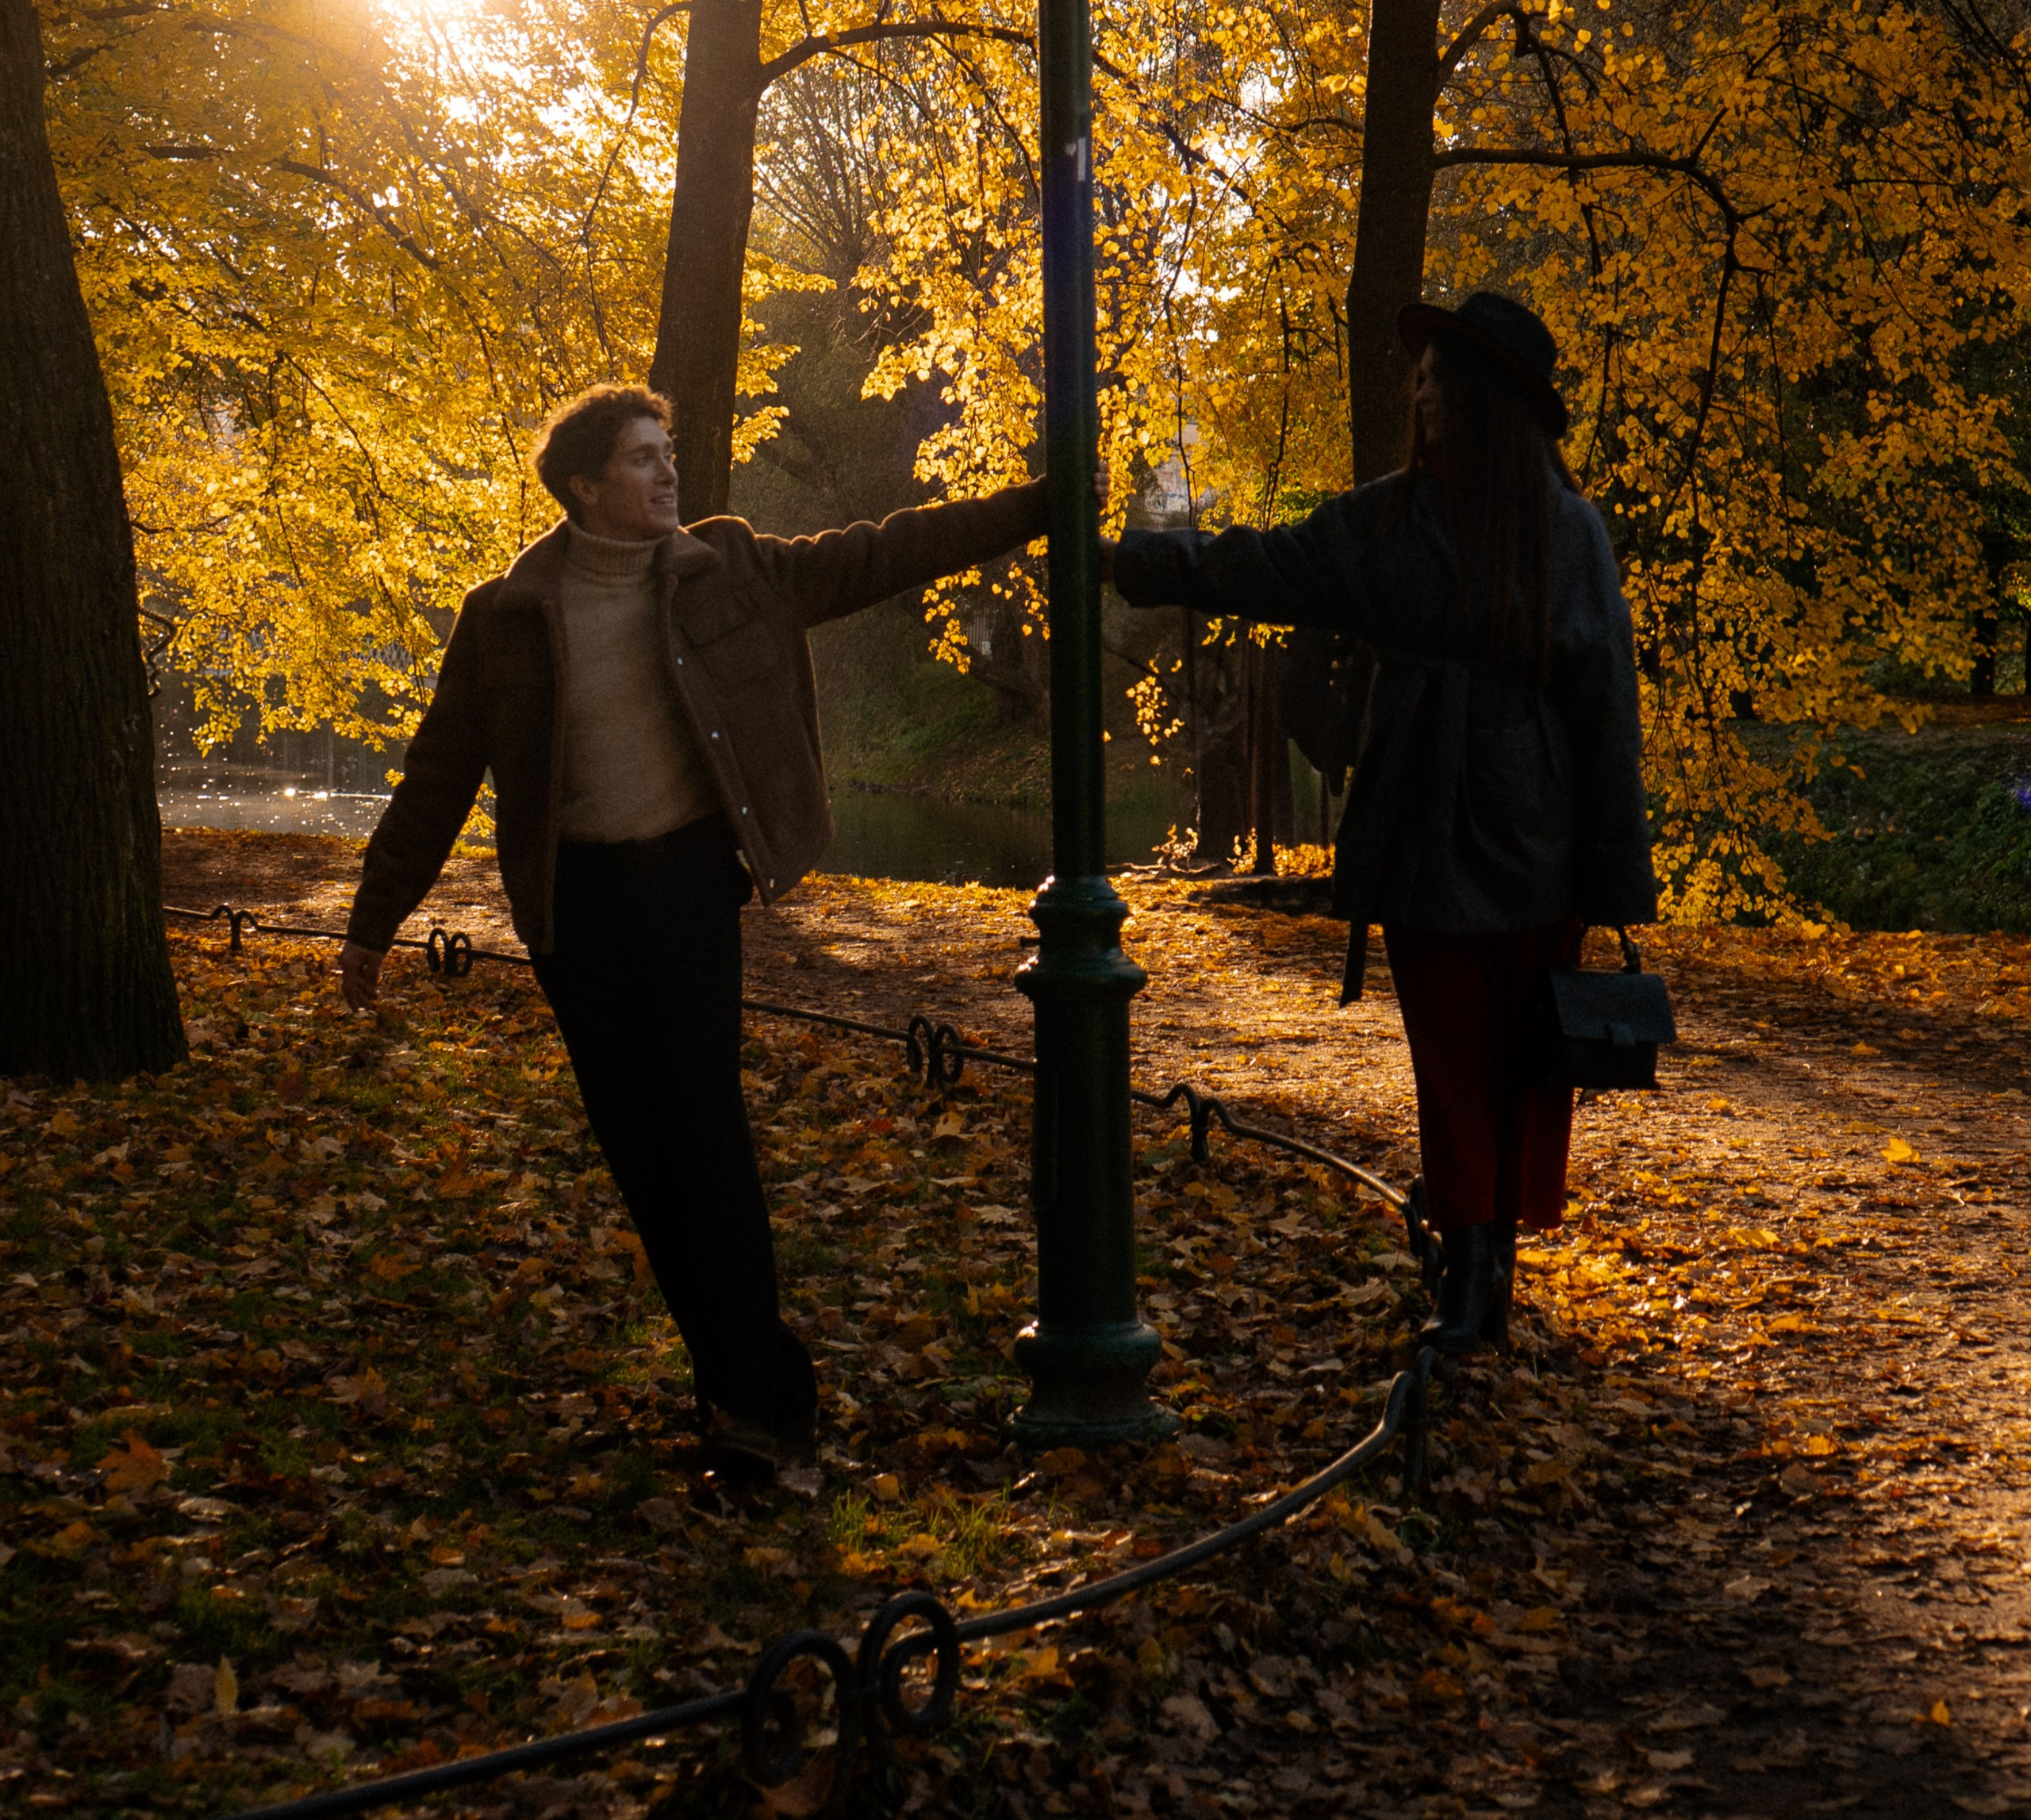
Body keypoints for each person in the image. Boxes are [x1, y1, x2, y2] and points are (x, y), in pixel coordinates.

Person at [338, 386, 1045, 1482]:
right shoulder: (509, 614)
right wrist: (373, 925)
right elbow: (438, 775)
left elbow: (886, 552)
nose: (670, 475)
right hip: (578, 915)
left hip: (684, 894)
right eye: (643, 460)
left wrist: (1037, 505)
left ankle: (750, 1409)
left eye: (668, 455)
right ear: (585, 487)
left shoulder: (731, 568)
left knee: (706, 1142)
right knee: (645, 1163)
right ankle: (750, 1383)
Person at [1105, 291, 1655, 1356]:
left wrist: (1614, 879)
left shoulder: (1566, 531)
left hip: (1536, 822)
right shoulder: (1390, 518)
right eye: (1425, 371)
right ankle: (1470, 1266)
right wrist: (1132, 560)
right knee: (1452, 1054)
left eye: (1449, 373)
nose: (1425, 387)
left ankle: (1493, 1260)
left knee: (1527, 1057)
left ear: (1496, 399)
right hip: (1419, 817)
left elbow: (1605, 706)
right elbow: (1263, 564)